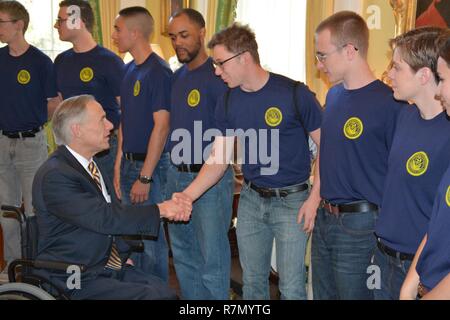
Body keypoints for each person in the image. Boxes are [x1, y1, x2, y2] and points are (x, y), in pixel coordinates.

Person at [176, 23, 323, 300]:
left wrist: (314, 199)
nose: (217, 71)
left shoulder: (295, 94)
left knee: (291, 287)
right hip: (251, 201)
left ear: (244, 57)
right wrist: (187, 195)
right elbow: (218, 160)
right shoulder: (229, 101)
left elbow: (328, 147)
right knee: (253, 284)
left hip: (293, 202)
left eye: (220, 63)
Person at [32, 95, 191, 300]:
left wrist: (122, 254)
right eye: (102, 119)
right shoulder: (55, 175)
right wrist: (162, 209)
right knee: (153, 297)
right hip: (73, 275)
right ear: (77, 130)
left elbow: (109, 217)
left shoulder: (89, 165)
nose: (110, 125)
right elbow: (104, 217)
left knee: (165, 292)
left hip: (103, 265)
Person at [312, 11, 404, 300]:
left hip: (360, 226)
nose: (319, 64)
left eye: (323, 55)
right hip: (325, 219)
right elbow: (327, 154)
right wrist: (315, 196)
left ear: (350, 51)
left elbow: (398, 177)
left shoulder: (391, 104)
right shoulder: (334, 96)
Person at [374, 27, 450, 300]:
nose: (389, 74)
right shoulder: (404, 116)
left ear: (424, 75)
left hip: (421, 270)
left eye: (397, 67)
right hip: (383, 256)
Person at [166, 8, 234, 300]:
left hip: (210, 183)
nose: (178, 42)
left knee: (212, 261)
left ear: (202, 33)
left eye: (184, 35)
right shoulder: (176, 77)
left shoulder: (219, 76)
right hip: (175, 175)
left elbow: (228, 139)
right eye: (172, 37)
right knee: (182, 256)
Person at [112, 7, 172, 281]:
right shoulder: (127, 70)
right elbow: (124, 121)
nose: (114, 36)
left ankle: (156, 292)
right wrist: (117, 166)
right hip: (127, 164)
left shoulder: (158, 71)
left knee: (150, 243)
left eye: (118, 29)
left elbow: (162, 126)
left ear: (135, 33)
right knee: (131, 241)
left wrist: (145, 177)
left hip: (151, 168)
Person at [0, 0, 59, 274]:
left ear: (18, 25)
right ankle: (13, 268)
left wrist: (33, 124)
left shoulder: (40, 61)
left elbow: (54, 103)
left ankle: (37, 268)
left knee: (35, 211)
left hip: (32, 144)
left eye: (1, 22)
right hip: (1, 143)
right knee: (7, 212)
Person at [400, 35, 450, 300]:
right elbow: (437, 224)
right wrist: (411, 284)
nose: (439, 90)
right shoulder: (405, 118)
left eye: (442, 79)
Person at [54, 0, 124, 180]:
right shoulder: (61, 61)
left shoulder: (110, 61)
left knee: (107, 202)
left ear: (78, 21)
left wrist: (119, 159)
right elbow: (61, 107)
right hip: (72, 149)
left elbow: (126, 111)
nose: (56, 25)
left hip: (105, 149)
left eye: (60, 20)